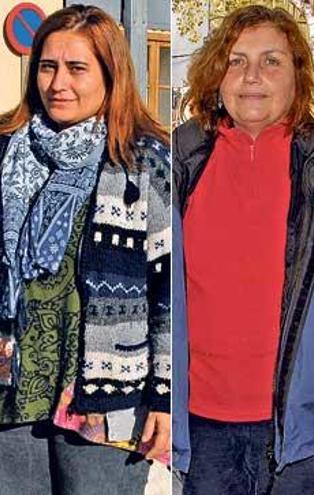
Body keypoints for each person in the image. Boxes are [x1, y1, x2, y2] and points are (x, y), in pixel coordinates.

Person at [172, 5, 314, 494]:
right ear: (215, 76)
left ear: (298, 76)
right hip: (201, 425)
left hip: (299, 429)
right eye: (235, 61)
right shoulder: (175, 160)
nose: (251, 76)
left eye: (271, 61)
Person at [0, 5, 170, 494]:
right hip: (12, 392)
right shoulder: (7, 150)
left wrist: (165, 395)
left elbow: (170, 289)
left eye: (77, 69)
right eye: (48, 67)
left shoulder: (143, 161)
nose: (58, 84)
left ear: (110, 74)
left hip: (107, 401)